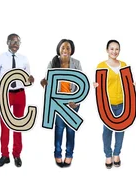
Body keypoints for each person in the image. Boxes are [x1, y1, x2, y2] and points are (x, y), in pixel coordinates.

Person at [0, 33, 34, 168]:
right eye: (13, 41)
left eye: (18, 42)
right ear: (7, 42)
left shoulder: (24, 59)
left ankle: (17, 154)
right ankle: (5, 155)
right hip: (5, 94)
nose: (16, 44)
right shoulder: (0, 58)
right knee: (4, 125)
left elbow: (28, 78)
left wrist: (31, 79)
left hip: (20, 94)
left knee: (18, 125)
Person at [40, 39, 82, 168]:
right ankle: (57, 154)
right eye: (63, 47)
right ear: (59, 49)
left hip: (72, 103)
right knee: (59, 129)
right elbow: (47, 83)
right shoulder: (53, 63)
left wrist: (76, 101)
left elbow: (82, 82)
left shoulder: (76, 63)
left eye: (68, 48)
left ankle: (69, 155)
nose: (65, 50)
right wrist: (44, 83)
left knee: (71, 130)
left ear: (72, 50)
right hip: (58, 104)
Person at [94, 39, 130, 169]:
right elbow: (99, 84)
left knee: (120, 130)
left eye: (117, 49)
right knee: (107, 131)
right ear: (107, 50)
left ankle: (117, 154)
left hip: (122, 103)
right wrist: (95, 85)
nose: (114, 51)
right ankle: (108, 155)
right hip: (107, 104)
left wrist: (132, 85)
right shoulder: (101, 66)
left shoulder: (124, 64)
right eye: (112, 49)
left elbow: (127, 83)